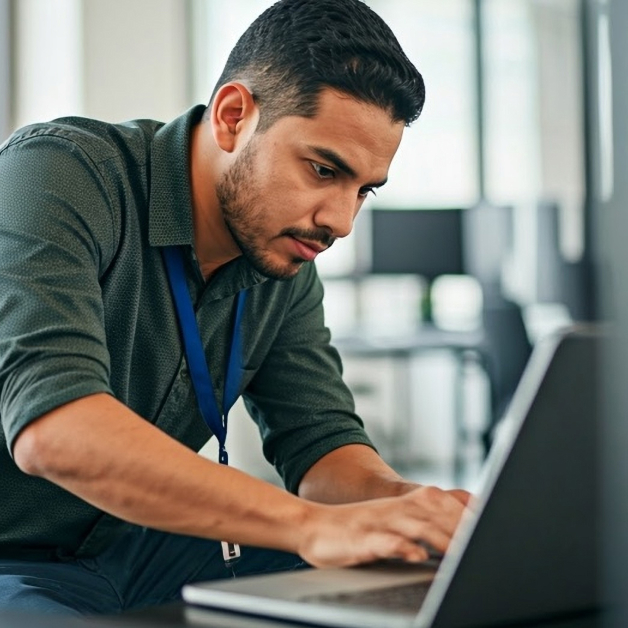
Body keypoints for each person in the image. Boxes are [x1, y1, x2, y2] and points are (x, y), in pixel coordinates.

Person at [0, 0, 470, 616]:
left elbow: (320, 443)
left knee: (421, 583)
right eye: (324, 169)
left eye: (363, 190)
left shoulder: (284, 254)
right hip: (15, 558)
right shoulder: (57, 173)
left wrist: (407, 507)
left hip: (141, 549)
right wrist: (308, 526)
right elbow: (53, 431)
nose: (341, 222)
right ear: (233, 116)